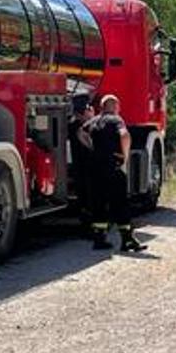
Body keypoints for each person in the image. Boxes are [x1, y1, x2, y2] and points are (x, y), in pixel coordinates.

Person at [81, 94, 143, 252]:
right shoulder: (116, 120)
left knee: (98, 202)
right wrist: (125, 156)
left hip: (95, 168)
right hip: (113, 165)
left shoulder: (94, 120)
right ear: (115, 106)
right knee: (120, 202)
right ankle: (127, 240)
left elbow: (80, 133)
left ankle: (99, 240)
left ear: (101, 107)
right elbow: (125, 135)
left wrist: (92, 147)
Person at [70, 99, 103, 249]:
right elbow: (91, 145)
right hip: (87, 168)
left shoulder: (72, 125)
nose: (93, 112)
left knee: (84, 198)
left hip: (79, 168)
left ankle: (88, 227)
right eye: (90, 109)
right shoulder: (82, 127)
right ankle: (90, 230)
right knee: (90, 199)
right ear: (84, 111)